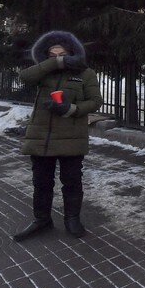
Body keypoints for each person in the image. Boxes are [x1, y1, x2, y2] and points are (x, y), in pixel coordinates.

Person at [12, 31, 102, 241]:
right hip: (42, 137)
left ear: (72, 53)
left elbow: (96, 101)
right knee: (41, 182)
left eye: (63, 54)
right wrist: (54, 64)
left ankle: (72, 219)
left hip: (71, 136)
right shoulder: (44, 72)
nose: (58, 58)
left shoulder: (85, 73)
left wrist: (70, 109)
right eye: (53, 55)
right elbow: (24, 77)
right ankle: (42, 219)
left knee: (71, 181)